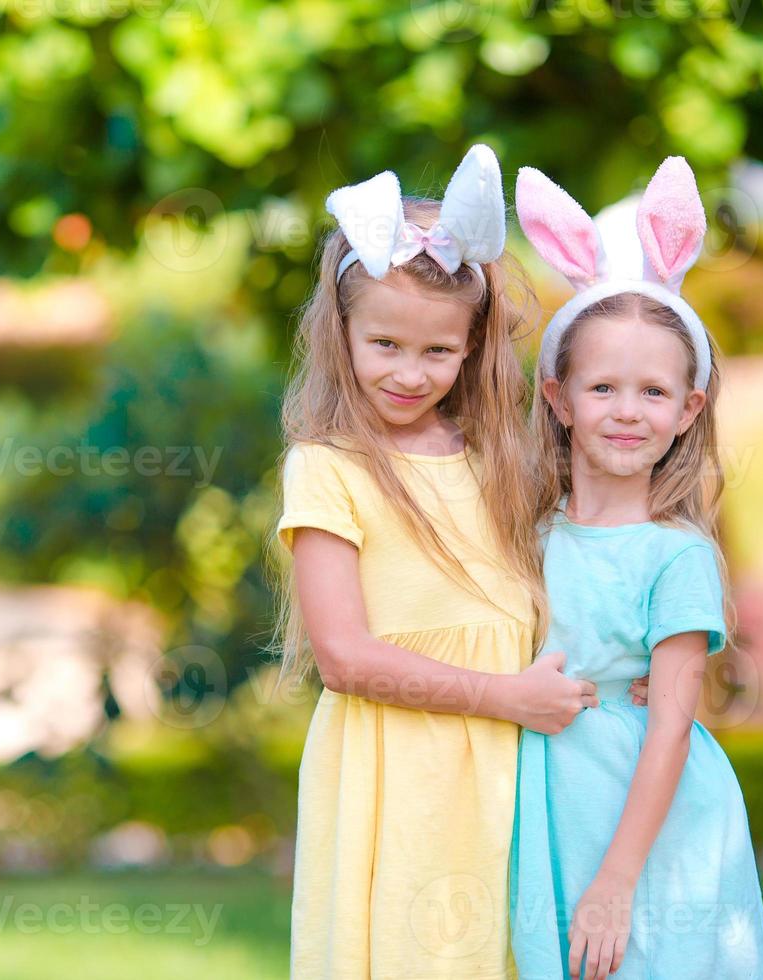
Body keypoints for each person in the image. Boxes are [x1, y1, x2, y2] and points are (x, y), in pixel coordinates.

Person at [272, 143, 603, 979]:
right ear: (339, 330)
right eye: (383, 343)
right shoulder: (330, 466)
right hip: (404, 775)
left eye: (436, 352)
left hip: (515, 763)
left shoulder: (503, 460)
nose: (408, 374)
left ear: (471, 348)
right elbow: (344, 659)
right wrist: (506, 698)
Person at [508, 156, 763, 979]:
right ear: (558, 397)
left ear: (689, 408)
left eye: (655, 393)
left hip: (648, 815)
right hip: (553, 789)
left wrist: (618, 880)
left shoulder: (678, 554)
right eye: (604, 388)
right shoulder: (523, 532)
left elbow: (671, 722)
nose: (628, 411)